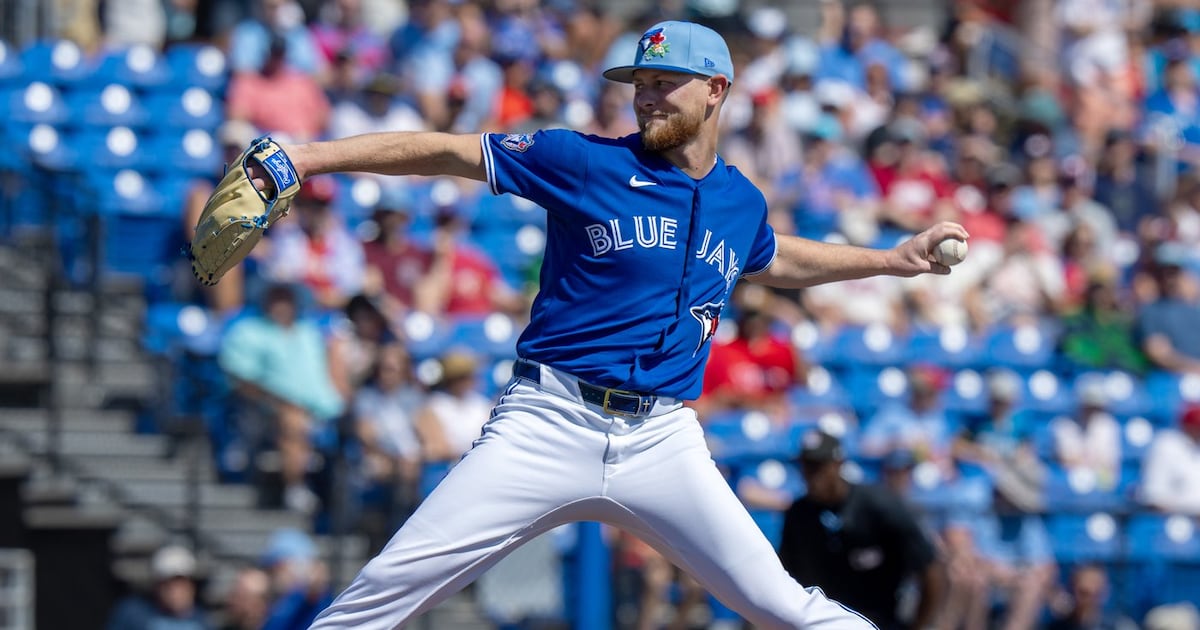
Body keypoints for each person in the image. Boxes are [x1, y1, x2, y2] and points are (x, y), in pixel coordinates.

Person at [250, 20, 967, 628]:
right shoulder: (584, 161)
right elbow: (449, 149)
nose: (647, 95)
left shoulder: (738, 202)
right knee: (382, 596)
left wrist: (889, 258)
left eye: (666, 81)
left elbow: (776, 258)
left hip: (662, 438)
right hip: (547, 421)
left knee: (784, 607)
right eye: (640, 82)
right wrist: (309, 157)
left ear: (716, 91)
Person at [779, 431, 945, 630]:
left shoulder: (878, 505)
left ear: (838, 464)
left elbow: (930, 569)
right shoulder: (799, 514)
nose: (811, 474)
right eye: (806, 466)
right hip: (821, 622)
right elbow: (785, 575)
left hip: (878, 619)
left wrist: (918, 626)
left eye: (818, 466)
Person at [105, 545, 211, 630]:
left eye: (180, 584)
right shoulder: (133, 614)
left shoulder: (203, 620)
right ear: (157, 587)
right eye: (168, 585)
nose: (175, 592)